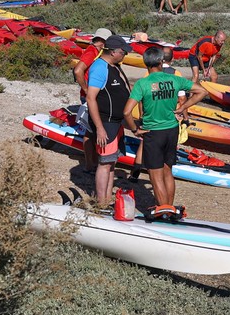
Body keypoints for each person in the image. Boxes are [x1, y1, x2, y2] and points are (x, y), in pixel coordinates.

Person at [123, 47, 207, 214]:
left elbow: (126, 112)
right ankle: (169, 209)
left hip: (153, 132)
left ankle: (165, 211)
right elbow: (201, 91)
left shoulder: (142, 83)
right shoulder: (174, 79)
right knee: (168, 170)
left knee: (155, 173)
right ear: (161, 61)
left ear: (145, 63)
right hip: (171, 130)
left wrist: (134, 129)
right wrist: (183, 107)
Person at [85, 35, 132, 205]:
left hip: (116, 123)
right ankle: (100, 202)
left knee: (112, 163)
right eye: (123, 52)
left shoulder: (114, 66)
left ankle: (106, 199)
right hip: (106, 123)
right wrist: (100, 128)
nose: (124, 55)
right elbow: (91, 98)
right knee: (104, 164)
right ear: (113, 52)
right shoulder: (99, 67)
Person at [74, 27, 113, 171]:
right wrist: (85, 90)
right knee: (91, 131)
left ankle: (93, 162)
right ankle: (90, 164)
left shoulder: (96, 52)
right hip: (89, 97)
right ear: (103, 41)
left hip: (93, 96)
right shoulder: (92, 52)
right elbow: (78, 70)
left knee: (93, 130)